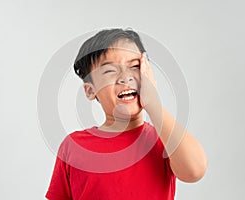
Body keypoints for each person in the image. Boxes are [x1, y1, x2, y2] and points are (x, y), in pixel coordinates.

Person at [45, 28, 207, 200]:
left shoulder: (164, 139)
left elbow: (194, 171)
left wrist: (153, 104)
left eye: (135, 67)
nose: (125, 77)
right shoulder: (74, 146)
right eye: (110, 71)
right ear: (91, 90)